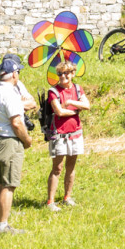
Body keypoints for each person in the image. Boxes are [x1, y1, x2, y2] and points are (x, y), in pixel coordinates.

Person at [0, 55, 33, 234]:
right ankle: (3, 225)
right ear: (14, 73)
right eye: (18, 72)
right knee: (9, 185)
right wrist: (27, 140)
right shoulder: (10, 93)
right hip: (9, 140)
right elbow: (16, 122)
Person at [44, 59, 89, 210]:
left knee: (71, 166)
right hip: (59, 135)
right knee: (57, 168)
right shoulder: (53, 92)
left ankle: (67, 197)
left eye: (66, 73)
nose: (63, 77)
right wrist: (76, 110)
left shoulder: (77, 89)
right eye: (60, 74)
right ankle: (50, 201)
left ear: (73, 74)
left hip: (75, 133)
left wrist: (71, 101)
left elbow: (87, 105)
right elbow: (59, 111)